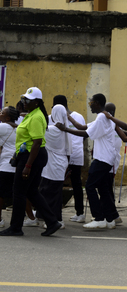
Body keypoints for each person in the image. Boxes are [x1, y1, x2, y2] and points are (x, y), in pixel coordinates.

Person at [0, 87, 61, 237]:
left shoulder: (36, 117)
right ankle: (52, 222)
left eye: (28, 100)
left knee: (19, 192)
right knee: (31, 191)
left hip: (31, 156)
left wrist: (27, 165)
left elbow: (36, 142)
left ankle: (15, 227)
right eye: (23, 99)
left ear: (37, 102)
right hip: (30, 155)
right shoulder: (32, 114)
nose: (24, 102)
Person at [56, 93, 118, 229]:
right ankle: (110, 219)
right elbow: (82, 127)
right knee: (103, 188)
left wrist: (65, 129)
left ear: (97, 103)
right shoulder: (102, 117)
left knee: (89, 186)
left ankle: (99, 218)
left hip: (102, 158)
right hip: (106, 158)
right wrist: (68, 116)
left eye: (91, 103)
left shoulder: (102, 117)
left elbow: (85, 134)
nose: (89, 106)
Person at [51, 95, 87, 223]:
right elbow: (84, 135)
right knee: (77, 184)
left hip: (61, 155)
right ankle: (80, 213)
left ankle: (56, 214)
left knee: (57, 184)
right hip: (77, 154)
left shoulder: (54, 117)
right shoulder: (79, 116)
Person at [39, 104, 71, 229]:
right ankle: (56, 219)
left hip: (52, 165)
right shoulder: (65, 129)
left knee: (49, 193)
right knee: (55, 194)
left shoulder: (52, 130)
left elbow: (37, 133)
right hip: (61, 164)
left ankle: (53, 220)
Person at [0, 106, 19, 228]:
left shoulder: (3, 127)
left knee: (0, 195)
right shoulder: (19, 128)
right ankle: (28, 218)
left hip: (5, 166)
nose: (0, 113)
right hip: (16, 165)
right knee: (17, 195)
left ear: (7, 117)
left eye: (2, 112)